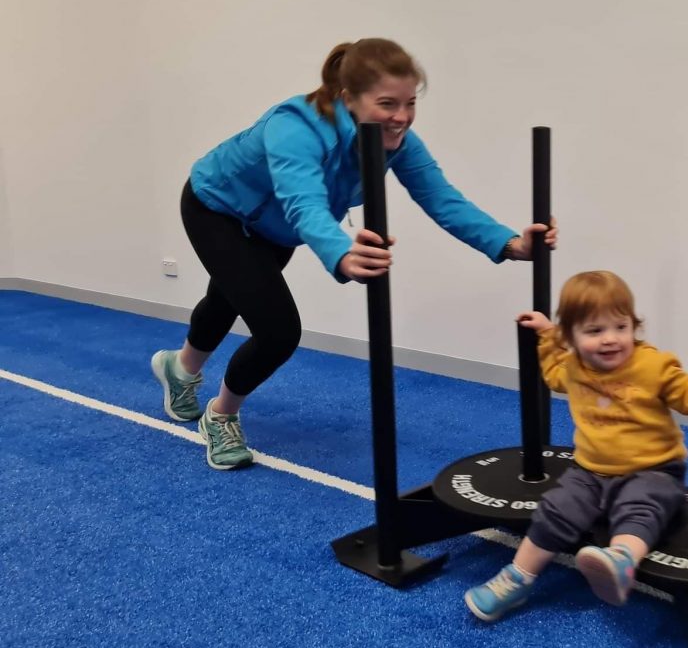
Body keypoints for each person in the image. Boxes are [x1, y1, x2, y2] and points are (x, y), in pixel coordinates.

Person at [151, 38, 557, 470]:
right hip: (217, 206)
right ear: (349, 98)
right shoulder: (295, 125)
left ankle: (179, 369)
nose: (401, 117)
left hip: (276, 228)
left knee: (227, 298)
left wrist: (511, 244)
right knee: (278, 331)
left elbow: (442, 199)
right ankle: (221, 414)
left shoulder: (397, 141)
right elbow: (302, 200)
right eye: (387, 103)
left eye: (410, 103)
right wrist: (342, 251)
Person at [465, 270, 688, 622]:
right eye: (594, 331)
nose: (610, 339)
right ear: (573, 336)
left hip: (653, 468)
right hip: (589, 469)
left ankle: (621, 559)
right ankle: (518, 578)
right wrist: (547, 336)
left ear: (634, 327)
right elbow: (552, 371)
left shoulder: (653, 366)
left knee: (641, 506)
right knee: (555, 509)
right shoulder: (573, 366)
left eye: (620, 327)